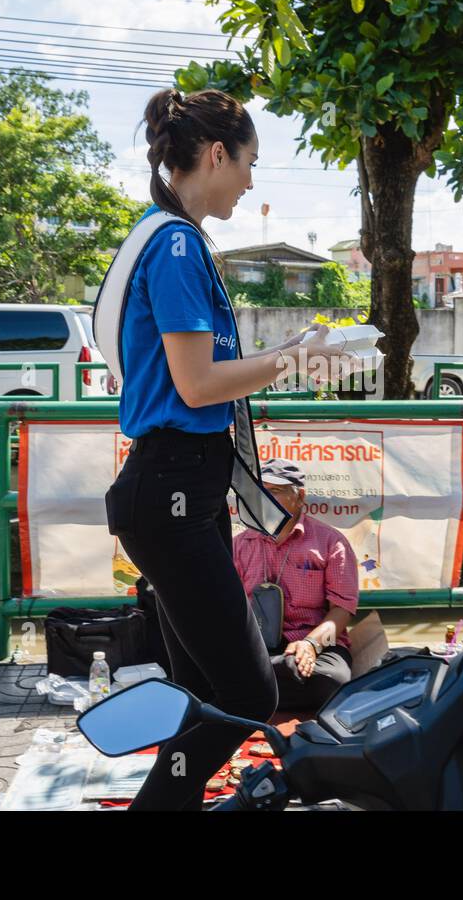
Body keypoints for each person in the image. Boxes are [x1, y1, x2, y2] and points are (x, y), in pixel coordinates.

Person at [104, 88, 349, 810]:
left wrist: (289, 353)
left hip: (183, 490)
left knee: (205, 691)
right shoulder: (177, 243)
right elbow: (199, 382)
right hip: (171, 490)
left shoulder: (167, 234)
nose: (249, 180)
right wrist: (296, 357)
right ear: (216, 155)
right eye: (248, 163)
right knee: (249, 689)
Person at [232, 460, 358, 711]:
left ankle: (264, 684)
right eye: (261, 492)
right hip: (257, 644)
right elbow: (228, 607)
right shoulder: (240, 543)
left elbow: (341, 610)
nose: (266, 499)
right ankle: (274, 674)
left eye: (275, 491)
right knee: (213, 669)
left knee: (333, 681)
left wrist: (311, 645)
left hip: (316, 642)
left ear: (300, 496)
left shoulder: (331, 542)